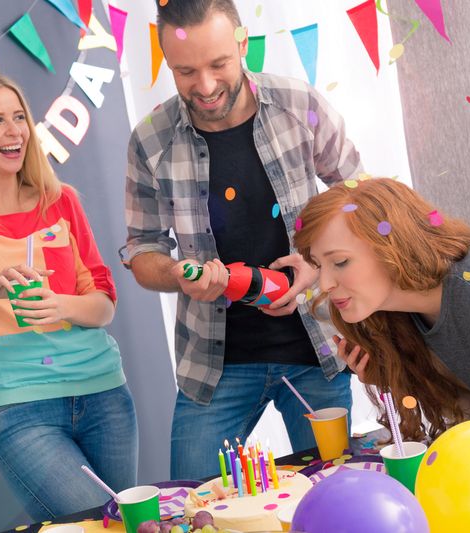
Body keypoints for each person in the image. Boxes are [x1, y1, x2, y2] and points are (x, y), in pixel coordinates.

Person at [124, 0, 363, 479]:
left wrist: (318, 265)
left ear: (242, 44)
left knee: (332, 494)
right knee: (190, 505)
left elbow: (362, 198)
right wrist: (177, 274)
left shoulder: (298, 104)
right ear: (167, 61)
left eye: (218, 64)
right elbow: (142, 249)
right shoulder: (150, 139)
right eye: (186, 71)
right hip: (213, 366)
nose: (205, 86)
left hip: (316, 350)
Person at [0, 75, 138, 521]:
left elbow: (104, 304)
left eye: (19, 117)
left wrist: (61, 305)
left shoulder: (61, 201)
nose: (15, 131)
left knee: (128, 525)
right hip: (19, 406)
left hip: (105, 394)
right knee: (94, 524)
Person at [294, 177, 470, 441]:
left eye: (340, 261)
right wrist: (402, 376)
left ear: (394, 248)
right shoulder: (409, 318)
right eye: (318, 265)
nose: (325, 284)